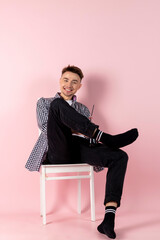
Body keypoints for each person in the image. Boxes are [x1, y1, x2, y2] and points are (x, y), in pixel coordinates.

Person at [25, 65, 138, 239]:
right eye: (66, 80)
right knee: (58, 105)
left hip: (79, 149)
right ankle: (107, 137)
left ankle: (108, 219)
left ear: (79, 86)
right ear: (60, 81)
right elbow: (46, 127)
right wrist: (79, 128)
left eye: (74, 82)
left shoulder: (83, 109)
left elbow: (85, 136)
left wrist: (87, 134)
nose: (69, 85)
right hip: (57, 150)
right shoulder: (45, 103)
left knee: (120, 156)